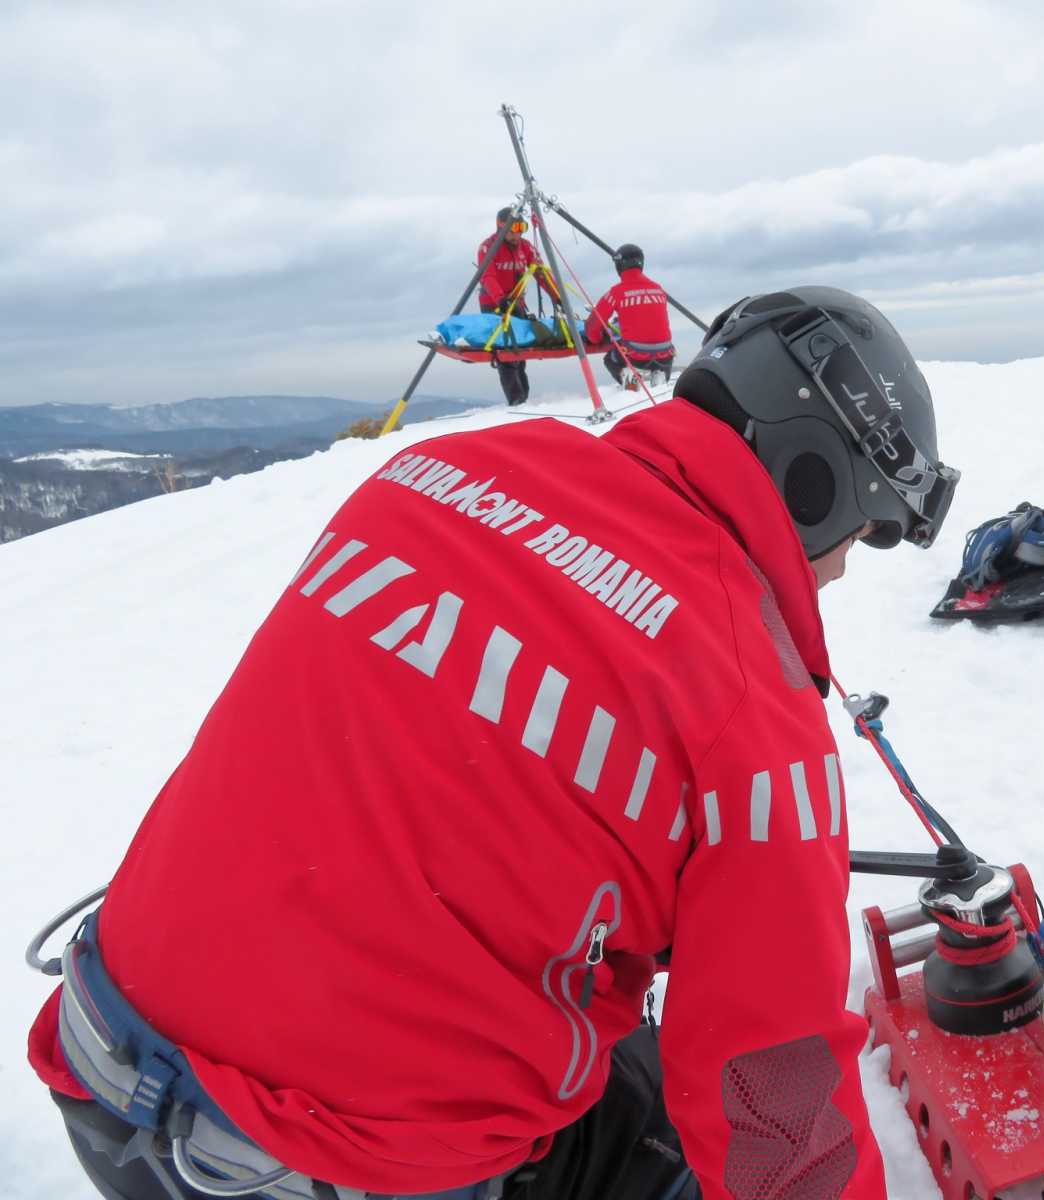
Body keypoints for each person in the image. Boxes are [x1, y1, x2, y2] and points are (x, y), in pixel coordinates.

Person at [26, 286, 960, 1200]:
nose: (839, 569)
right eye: (861, 535)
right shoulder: (755, 726)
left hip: (99, 1049)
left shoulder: (438, 476)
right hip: (329, 1164)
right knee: (661, 1134)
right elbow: (774, 1119)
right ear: (815, 486)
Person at [477, 207, 560, 407]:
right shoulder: (488, 248)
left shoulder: (525, 247)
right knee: (506, 355)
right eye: (515, 228)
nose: (519, 233)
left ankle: (524, 398)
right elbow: (488, 276)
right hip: (495, 305)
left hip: (517, 303)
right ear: (502, 228)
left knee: (521, 352)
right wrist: (500, 299)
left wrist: (557, 296)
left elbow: (541, 273)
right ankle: (516, 400)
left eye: (522, 227)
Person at [582, 244, 676, 388]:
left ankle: (630, 382)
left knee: (610, 359)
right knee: (657, 353)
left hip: (635, 356)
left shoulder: (616, 292)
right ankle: (659, 376)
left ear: (620, 265)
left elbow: (592, 328)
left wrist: (597, 339)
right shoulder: (658, 289)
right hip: (666, 356)